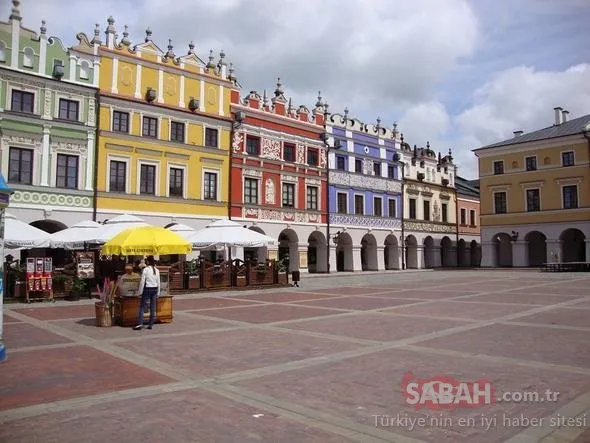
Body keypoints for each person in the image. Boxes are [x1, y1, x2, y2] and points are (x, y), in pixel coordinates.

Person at [133, 256, 160, 330]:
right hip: (155, 289)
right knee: (152, 307)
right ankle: (151, 324)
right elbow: (158, 282)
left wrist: (140, 292)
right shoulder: (156, 270)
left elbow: (142, 282)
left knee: (142, 307)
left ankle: (140, 324)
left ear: (147, 262)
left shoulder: (145, 270)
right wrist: (158, 292)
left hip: (147, 289)